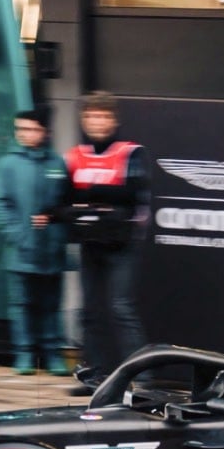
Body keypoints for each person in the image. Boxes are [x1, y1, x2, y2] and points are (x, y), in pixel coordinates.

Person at [61, 92, 149, 376]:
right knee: (88, 312)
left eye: (103, 115)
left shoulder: (132, 152)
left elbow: (133, 192)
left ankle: (143, 379)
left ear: (114, 119)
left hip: (122, 243)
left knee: (121, 309)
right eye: (91, 115)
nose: (97, 121)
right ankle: (93, 375)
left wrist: (91, 193)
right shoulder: (74, 155)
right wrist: (99, 199)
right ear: (83, 120)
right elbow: (64, 199)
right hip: (89, 242)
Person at [0, 109, 72, 374]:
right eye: (21, 129)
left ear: (45, 132)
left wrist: (59, 233)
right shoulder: (5, 165)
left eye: (32, 129)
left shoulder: (58, 163)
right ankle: (23, 355)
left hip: (52, 250)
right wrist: (17, 234)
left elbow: (66, 203)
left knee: (51, 305)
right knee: (21, 305)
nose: (25, 134)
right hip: (20, 252)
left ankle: (53, 355)